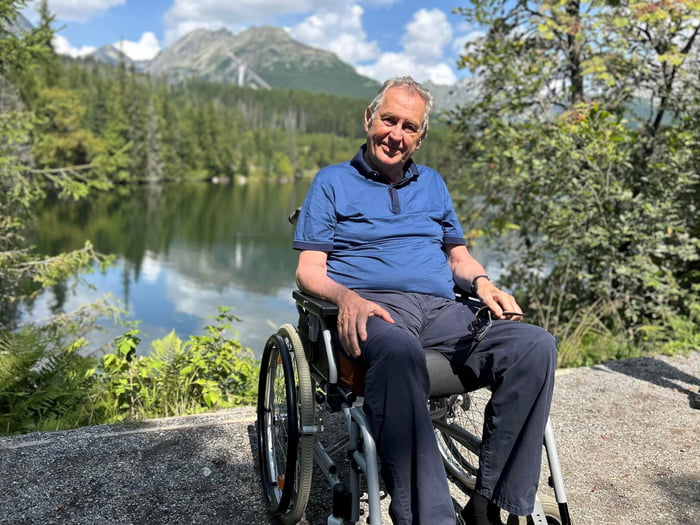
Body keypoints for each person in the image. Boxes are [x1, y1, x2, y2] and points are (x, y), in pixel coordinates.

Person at [293, 76, 557, 525]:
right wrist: (346, 298)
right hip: (373, 308)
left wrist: (484, 284)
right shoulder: (331, 182)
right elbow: (309, 270)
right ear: (369, 120)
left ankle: (489, 506)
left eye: (408, 127)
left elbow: (457, 256)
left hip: (440, 309)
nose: (395, 135)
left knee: (534, 346)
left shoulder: (433, 184)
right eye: (388, 120)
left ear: (421, 137)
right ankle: (430, 517)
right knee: (399, 349)